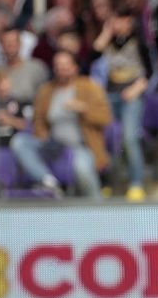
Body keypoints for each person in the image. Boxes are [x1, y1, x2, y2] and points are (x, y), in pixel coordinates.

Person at [10, 50, 111, 198]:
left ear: (75, 67)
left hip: (81, 145)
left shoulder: (89, 86)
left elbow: (105, 118)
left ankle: (97, 207)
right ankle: (48, 182)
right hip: (53, 145)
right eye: (58, 65)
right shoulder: (46, 90)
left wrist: (83, 109)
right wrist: (41, 133)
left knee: (82, 169)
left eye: (66, 65)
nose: (62, 69)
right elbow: (38, 120)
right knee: (19, 142)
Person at [92, 0, 154, 200]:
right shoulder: (108, 42)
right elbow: (91, 55)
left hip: (131, 96)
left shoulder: (139, 42)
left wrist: (136, 89)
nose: (117, 24)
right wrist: (106, 32)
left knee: (129, 137)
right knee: (106, 139)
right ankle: (107, 181)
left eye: (120, 20)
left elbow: (150, 72)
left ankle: (136, 182)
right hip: (110, 96)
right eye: (114, 20)